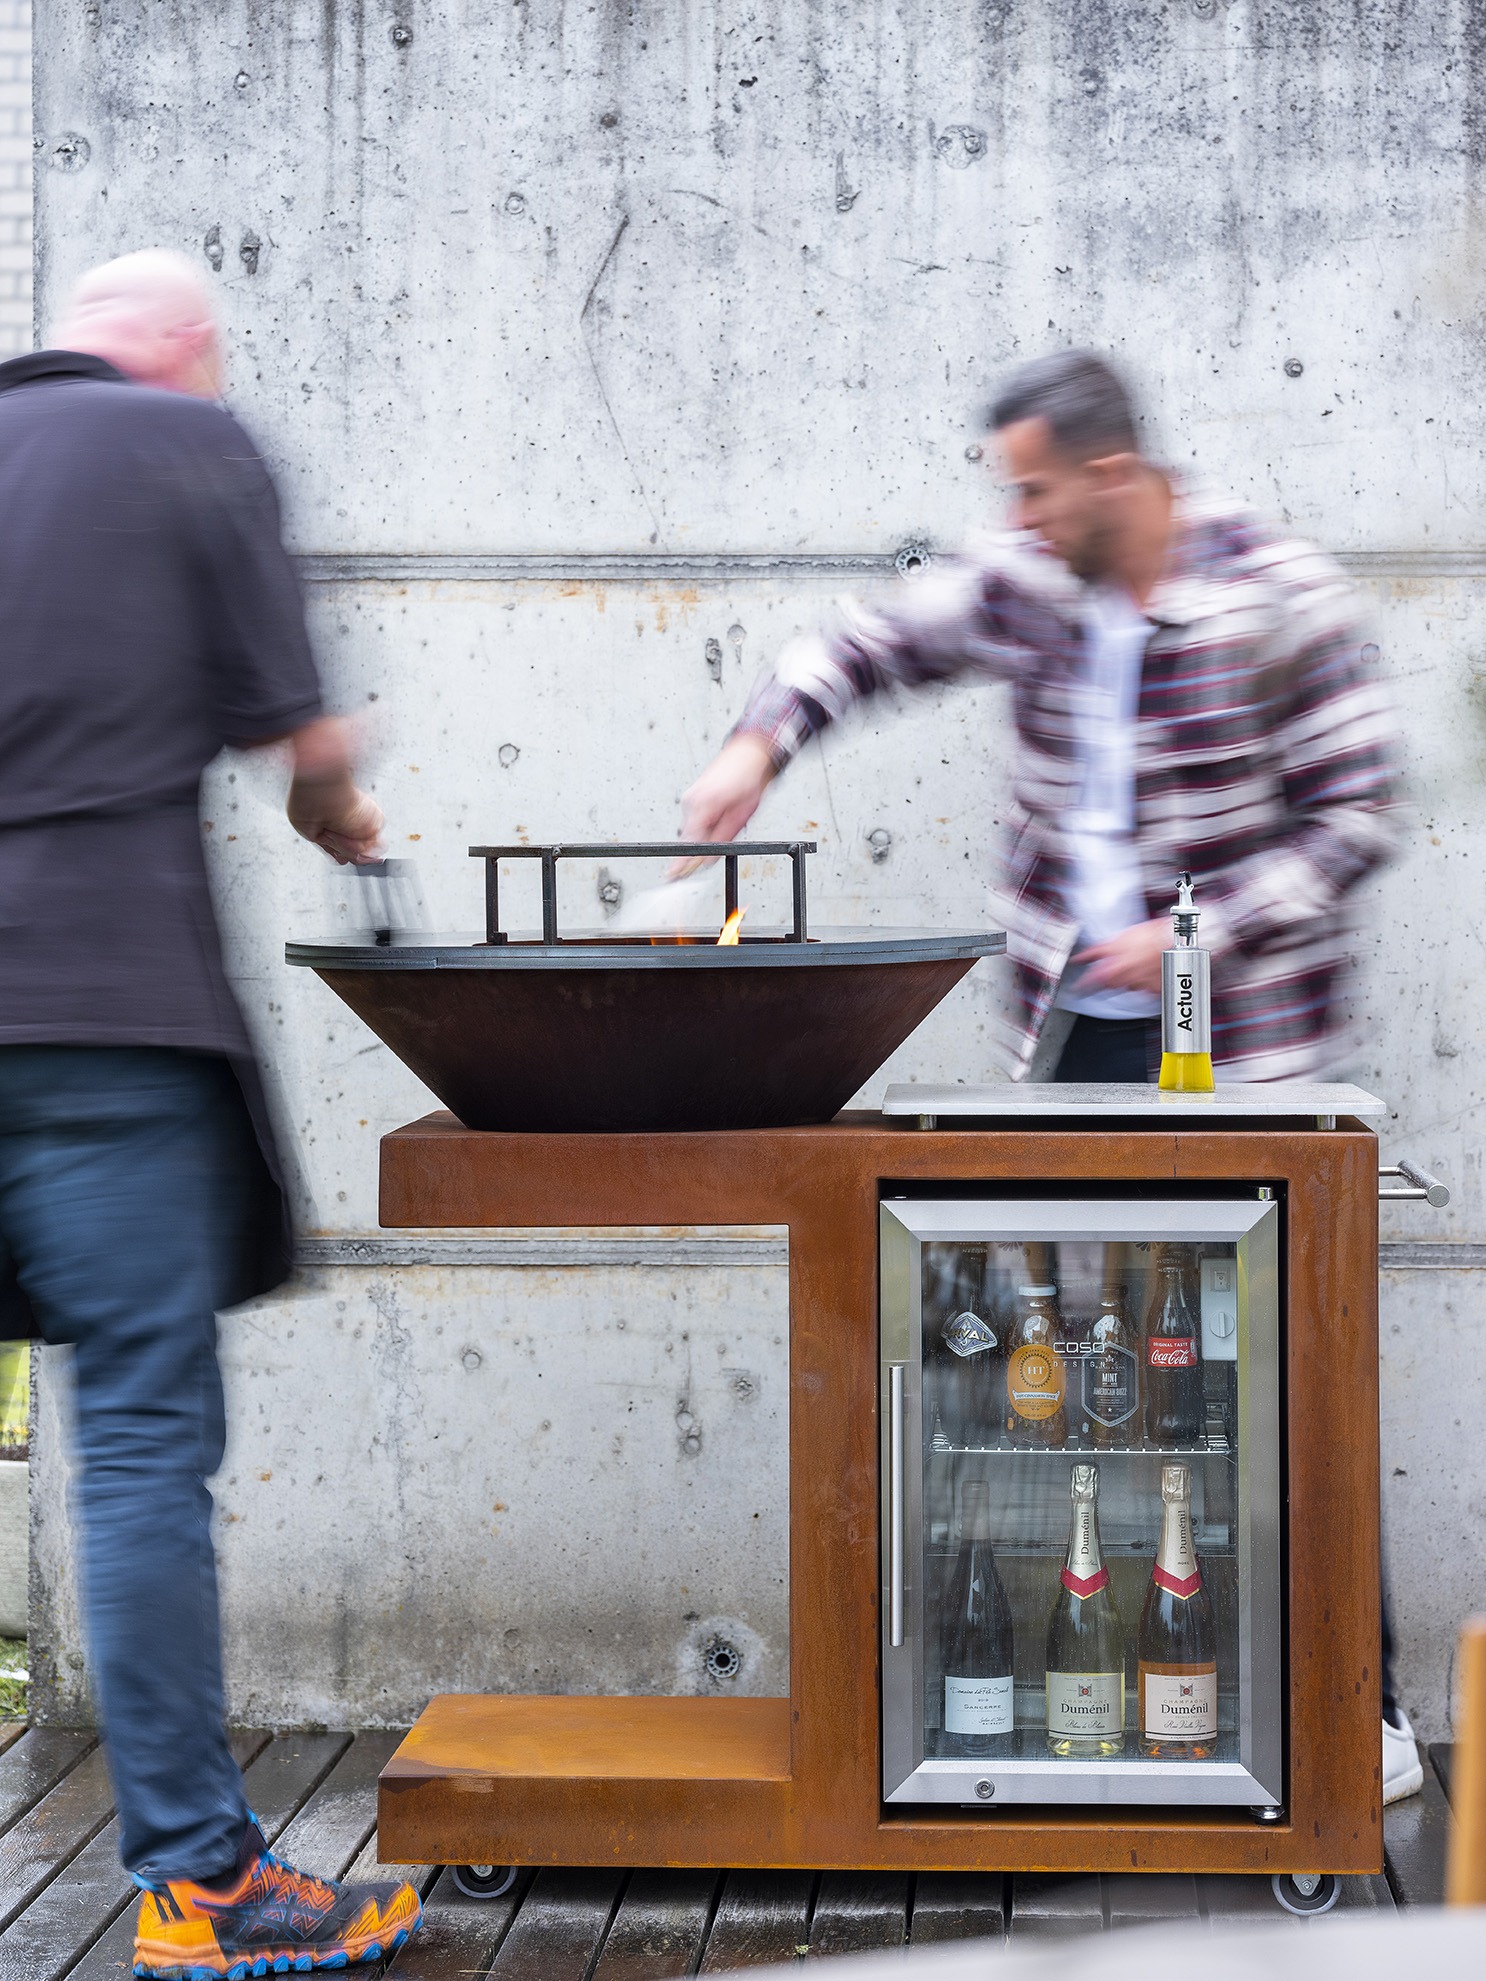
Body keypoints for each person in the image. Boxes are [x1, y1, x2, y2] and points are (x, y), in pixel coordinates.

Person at [679, 349, 1419, 1801]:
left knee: (1284, 1383)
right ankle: (1090, 1713)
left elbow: (1358, 810)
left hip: (1244, 1046)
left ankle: (1358, 1715)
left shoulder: (1279, 598)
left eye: (1030, 487)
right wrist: (759, 740)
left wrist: (1193, 930)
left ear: (1111, 474)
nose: (1009, 517)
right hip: (1071, 1035)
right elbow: (868, 642)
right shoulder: (1023, 577)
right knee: (1088, 1369)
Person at [0, 252, 423, 1972]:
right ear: (183, 348)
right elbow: (301, 734)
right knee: (141, 1451)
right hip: (105, 1018)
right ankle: (202, 1882)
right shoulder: (191, 446)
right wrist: (342, 812)